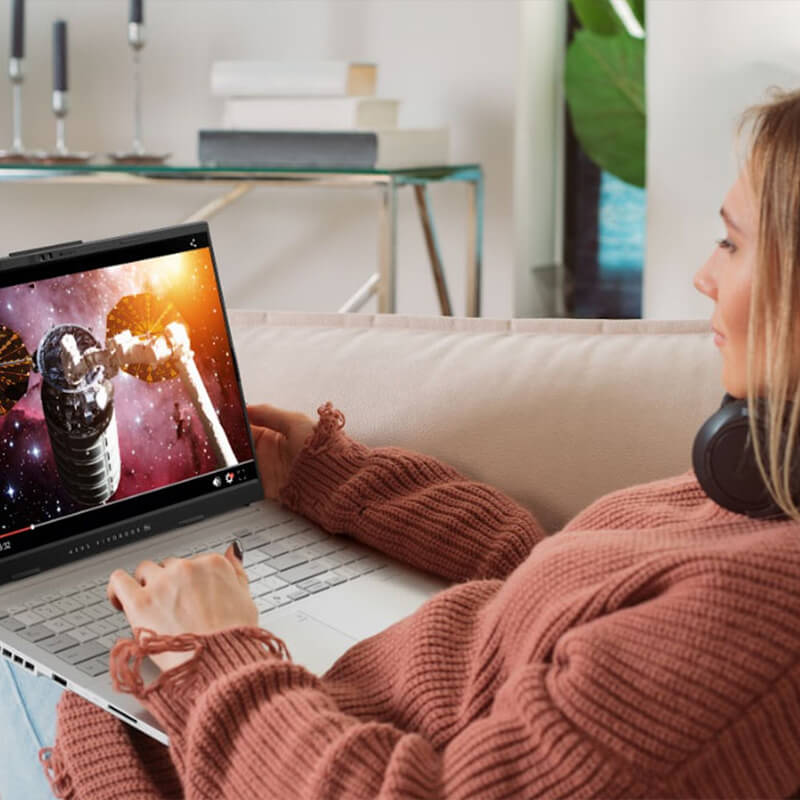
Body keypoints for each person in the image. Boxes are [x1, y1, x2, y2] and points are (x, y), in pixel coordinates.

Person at [6, 88, 800, 799]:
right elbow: (542, 584)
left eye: (731, 243)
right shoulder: (758, 491)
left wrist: (214, 655)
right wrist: (332, 478)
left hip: (146, 750)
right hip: (264, 698)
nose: (704, 275)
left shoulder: (755, 635)